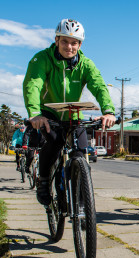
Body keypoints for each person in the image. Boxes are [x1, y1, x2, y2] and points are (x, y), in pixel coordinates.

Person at [23, 19, 116, 206]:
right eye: (65, 41)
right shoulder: (42, 59)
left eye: (74, 43)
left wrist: (108, 111)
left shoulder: (86, 64)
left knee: (81, 154)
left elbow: (98, 86)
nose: (69, 46)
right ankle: (43, 180)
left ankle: (82, 205)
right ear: (56, 40)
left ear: (80, 44)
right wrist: (34, 113)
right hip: (48, 113)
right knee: (55, 141)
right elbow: (33, 84)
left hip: (74, 115)